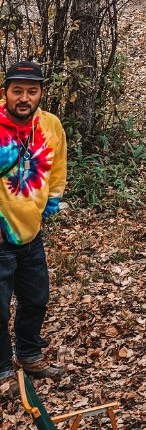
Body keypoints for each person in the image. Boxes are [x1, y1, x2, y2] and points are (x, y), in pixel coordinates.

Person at [0, 62, 66, 385]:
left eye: (31, 91)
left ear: (40, 93)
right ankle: (1, 370)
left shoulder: (50, 126)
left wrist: (51, 201)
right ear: (5, 93)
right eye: (17, 91)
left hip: (31, 234)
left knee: (37, 298)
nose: (24, 98)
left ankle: (29, 355)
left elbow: (58, 167)